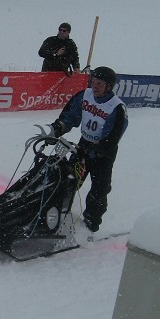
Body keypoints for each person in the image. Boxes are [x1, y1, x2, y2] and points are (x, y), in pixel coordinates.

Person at [50, 66, 128, 241]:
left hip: (104, 153)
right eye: (93, 82)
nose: (95, 86)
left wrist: (99, 149)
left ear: (109, 86)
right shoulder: (84, 96)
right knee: (70, 179)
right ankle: (58, 213)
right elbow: (71, 116)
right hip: (84, 144)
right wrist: (58, 128)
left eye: (100, 84)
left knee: (99, 189)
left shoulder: (116, 108)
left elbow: (113, 135)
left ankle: (91, 224)